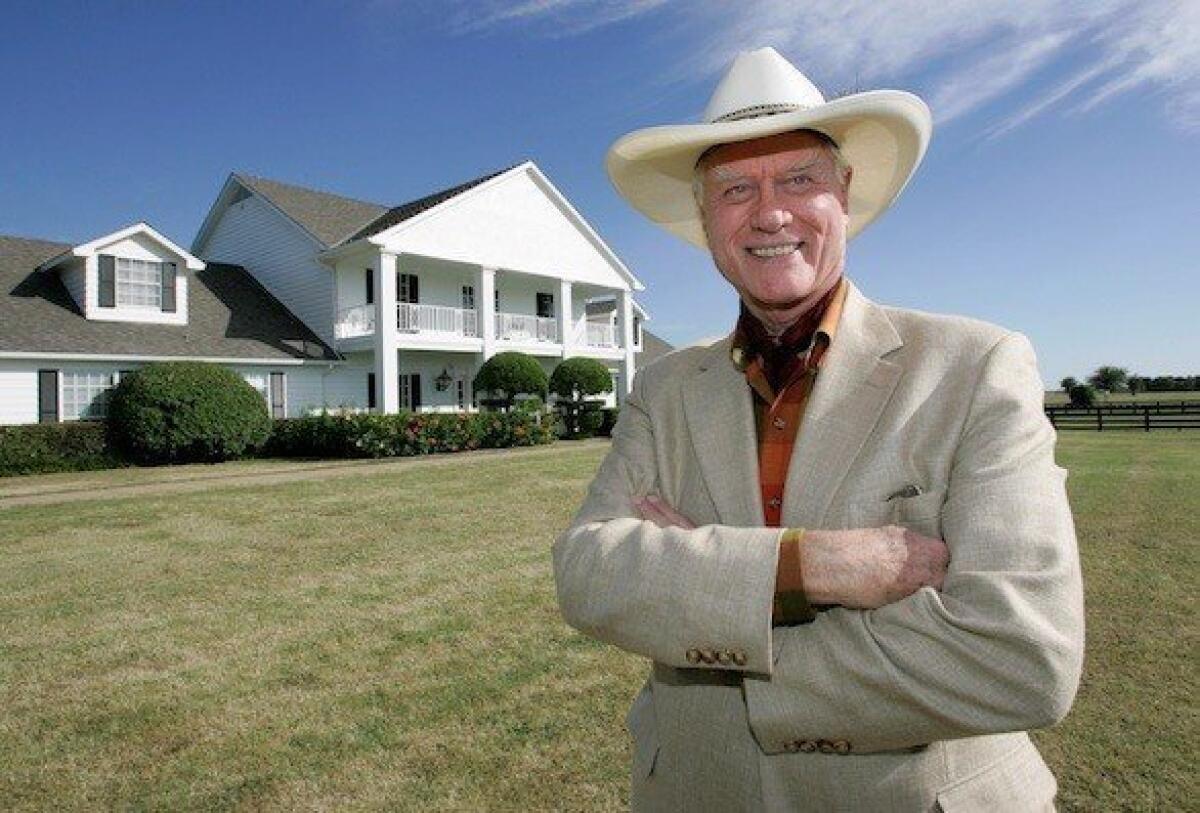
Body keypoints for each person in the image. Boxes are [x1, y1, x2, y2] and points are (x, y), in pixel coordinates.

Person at [553, 47, 1084, 811]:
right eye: (736, 187)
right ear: (705, 218)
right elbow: (590, 572)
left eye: (798, 178)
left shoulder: (974, 366)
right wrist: (811, 568)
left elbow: (1022, 656)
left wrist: (702, 591)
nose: (769, 212)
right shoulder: (664, 388)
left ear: (844, 195)